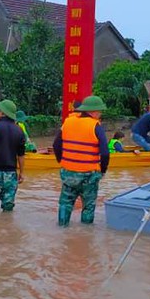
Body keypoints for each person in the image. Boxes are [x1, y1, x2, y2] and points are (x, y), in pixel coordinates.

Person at [53, 95, 109, 226]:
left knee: (65, 204)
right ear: (92, 112)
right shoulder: (95, 126)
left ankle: (62, 227)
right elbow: (105, 153)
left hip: (68, 171)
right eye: (99, 111)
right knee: (88, 206)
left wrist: (62, 161)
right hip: (89, 174)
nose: (100, 114)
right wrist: (103, 170)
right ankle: (86, 234)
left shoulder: (68, 122)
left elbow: (56, 144)